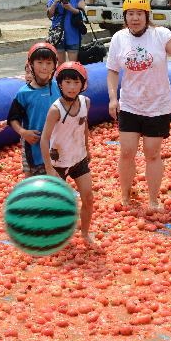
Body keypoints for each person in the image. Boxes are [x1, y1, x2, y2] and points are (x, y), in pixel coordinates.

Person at [107, 0, 171, 210]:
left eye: (139, 14)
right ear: (125, 17)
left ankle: (153, 199)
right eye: (130, 14)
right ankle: (125, 196)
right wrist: (113, 99)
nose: (135, 18)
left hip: (157, 105)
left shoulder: (161, 35)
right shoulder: (119, 38)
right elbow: (113, 70)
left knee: (152, 153)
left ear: (147, 16)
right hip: (130, 104)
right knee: (126, 152)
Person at [41, 61, 95, 244]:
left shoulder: (85, 102)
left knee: (88, 197)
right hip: (58, 162)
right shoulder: (56, 110)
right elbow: (44, 139)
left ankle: (85, 234)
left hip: (78, 158)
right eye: (67, 83)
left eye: (76, 83)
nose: (72, 87)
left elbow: (84, 125)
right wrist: (49, 167)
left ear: (82, 84)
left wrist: (87, 148)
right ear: (60, 84)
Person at [4, 42, 60, 176]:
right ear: (31, 65)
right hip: (34, 147)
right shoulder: (24, 93)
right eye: (40, 63)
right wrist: (24, 133)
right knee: (34, 181)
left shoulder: (60, 87)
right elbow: (12, 118)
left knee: (56, 182)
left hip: (57, 145)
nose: (44, 67)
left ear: (55, 65)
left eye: (48, 63)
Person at [46, 0, 86, 65]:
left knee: (73, 65)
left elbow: (83, 13)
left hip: (73, 34)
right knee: (60, 65)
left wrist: (70, 8)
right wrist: (55, 3)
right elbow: (49, 14)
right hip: (58, 35)